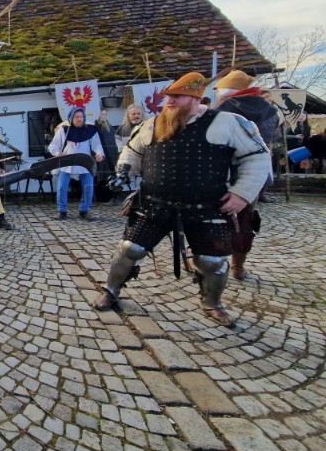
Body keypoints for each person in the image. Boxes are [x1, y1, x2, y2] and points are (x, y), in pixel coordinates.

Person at [94, 72, 270, 327]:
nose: (170, 101)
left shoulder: (229, 123)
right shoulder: (153, 124)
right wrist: (123, 173)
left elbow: (257, 157)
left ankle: (212, 303)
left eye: (177, 97)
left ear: (195, 98)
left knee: (211, 261)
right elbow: (132, 151)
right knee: (130, 249)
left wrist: (242, 193)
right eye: (169, 97)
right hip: (155, 203)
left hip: (206, 206)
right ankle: (111, 290)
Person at [214, 70, 279, 279]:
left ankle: (212, 262)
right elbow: (269, 140)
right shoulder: (270, 110)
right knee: (245, 219)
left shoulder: (223, 109)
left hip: (222, 171)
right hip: (256, 171)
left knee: (212, 218)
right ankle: (237, 267)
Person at [49, 108, 104, 220]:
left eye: (81, 117)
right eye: (77, 117)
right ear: (71, 118)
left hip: (85, 164)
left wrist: (99, 154)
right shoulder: (64, 130)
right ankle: (62, 211)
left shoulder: (90, 130)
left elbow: (97, 145)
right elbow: (53, 145)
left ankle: (84, 210)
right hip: (67, 163)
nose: (80, 119)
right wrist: (57, 153)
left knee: (88, 188)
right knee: (62, 188)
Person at [95, 109, 119, 183]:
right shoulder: (96, 127)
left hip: (111, 154)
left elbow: (112, 141)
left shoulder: (108, 126)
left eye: (105, 114)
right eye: (103, 114)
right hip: (101, 155)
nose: (105, 116)